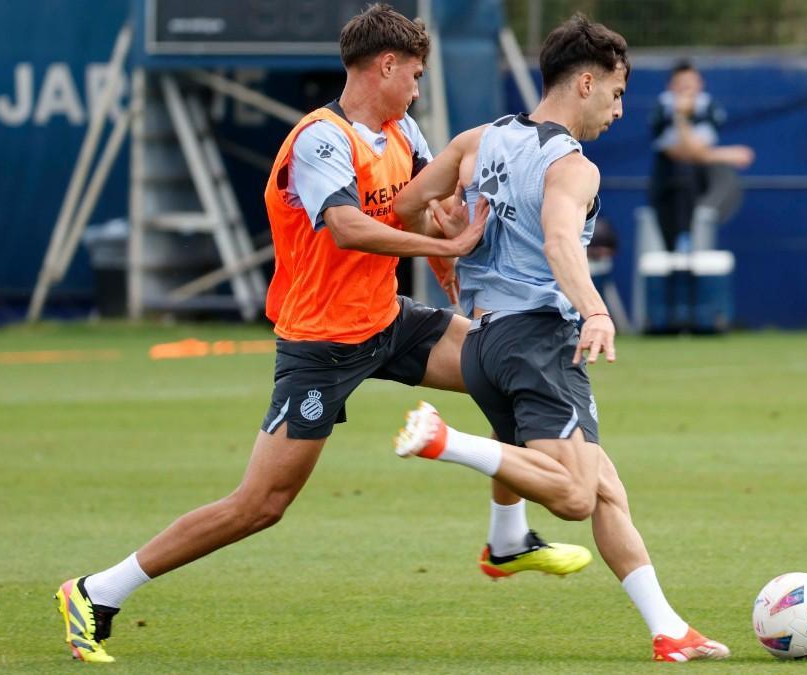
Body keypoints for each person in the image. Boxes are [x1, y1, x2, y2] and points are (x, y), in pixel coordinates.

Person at [53, 4, 590, 663]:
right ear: (384, 66)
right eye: (415, 75)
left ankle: (507, 538)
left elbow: (431, 210)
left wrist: (457, 274)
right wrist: (431, 241)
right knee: (262, 503)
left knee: (499, 366)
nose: (419, 89)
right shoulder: (320, 138)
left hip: (388, 319)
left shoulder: (405, 132)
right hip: (321, 340)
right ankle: (97, 589)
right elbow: (347, 227)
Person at [391, 15, 729, 663]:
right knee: (575, 495)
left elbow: (407, 207)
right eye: (616, 93)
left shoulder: (477, 140)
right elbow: (556, 239)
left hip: (484, 346)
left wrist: (452, 231)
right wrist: (596, 311)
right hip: (539, 340)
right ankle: (446, 442)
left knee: (605, 488)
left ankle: (667, 627)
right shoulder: (573, 166)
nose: (619, 109)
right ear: (584, 82)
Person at [648, 61, 753, 252]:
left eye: (691, 83)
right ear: (671, 87)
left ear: (700, 84)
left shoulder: (708, 108)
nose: (687, 89)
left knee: (720, 176)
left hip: (701, 190)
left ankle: (692, 233)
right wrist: (728, 154)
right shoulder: (662, 111)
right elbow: (683, 154)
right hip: (668, 191)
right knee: (681, 171)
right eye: (681, 84)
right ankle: (682, 237)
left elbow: (699, 151)